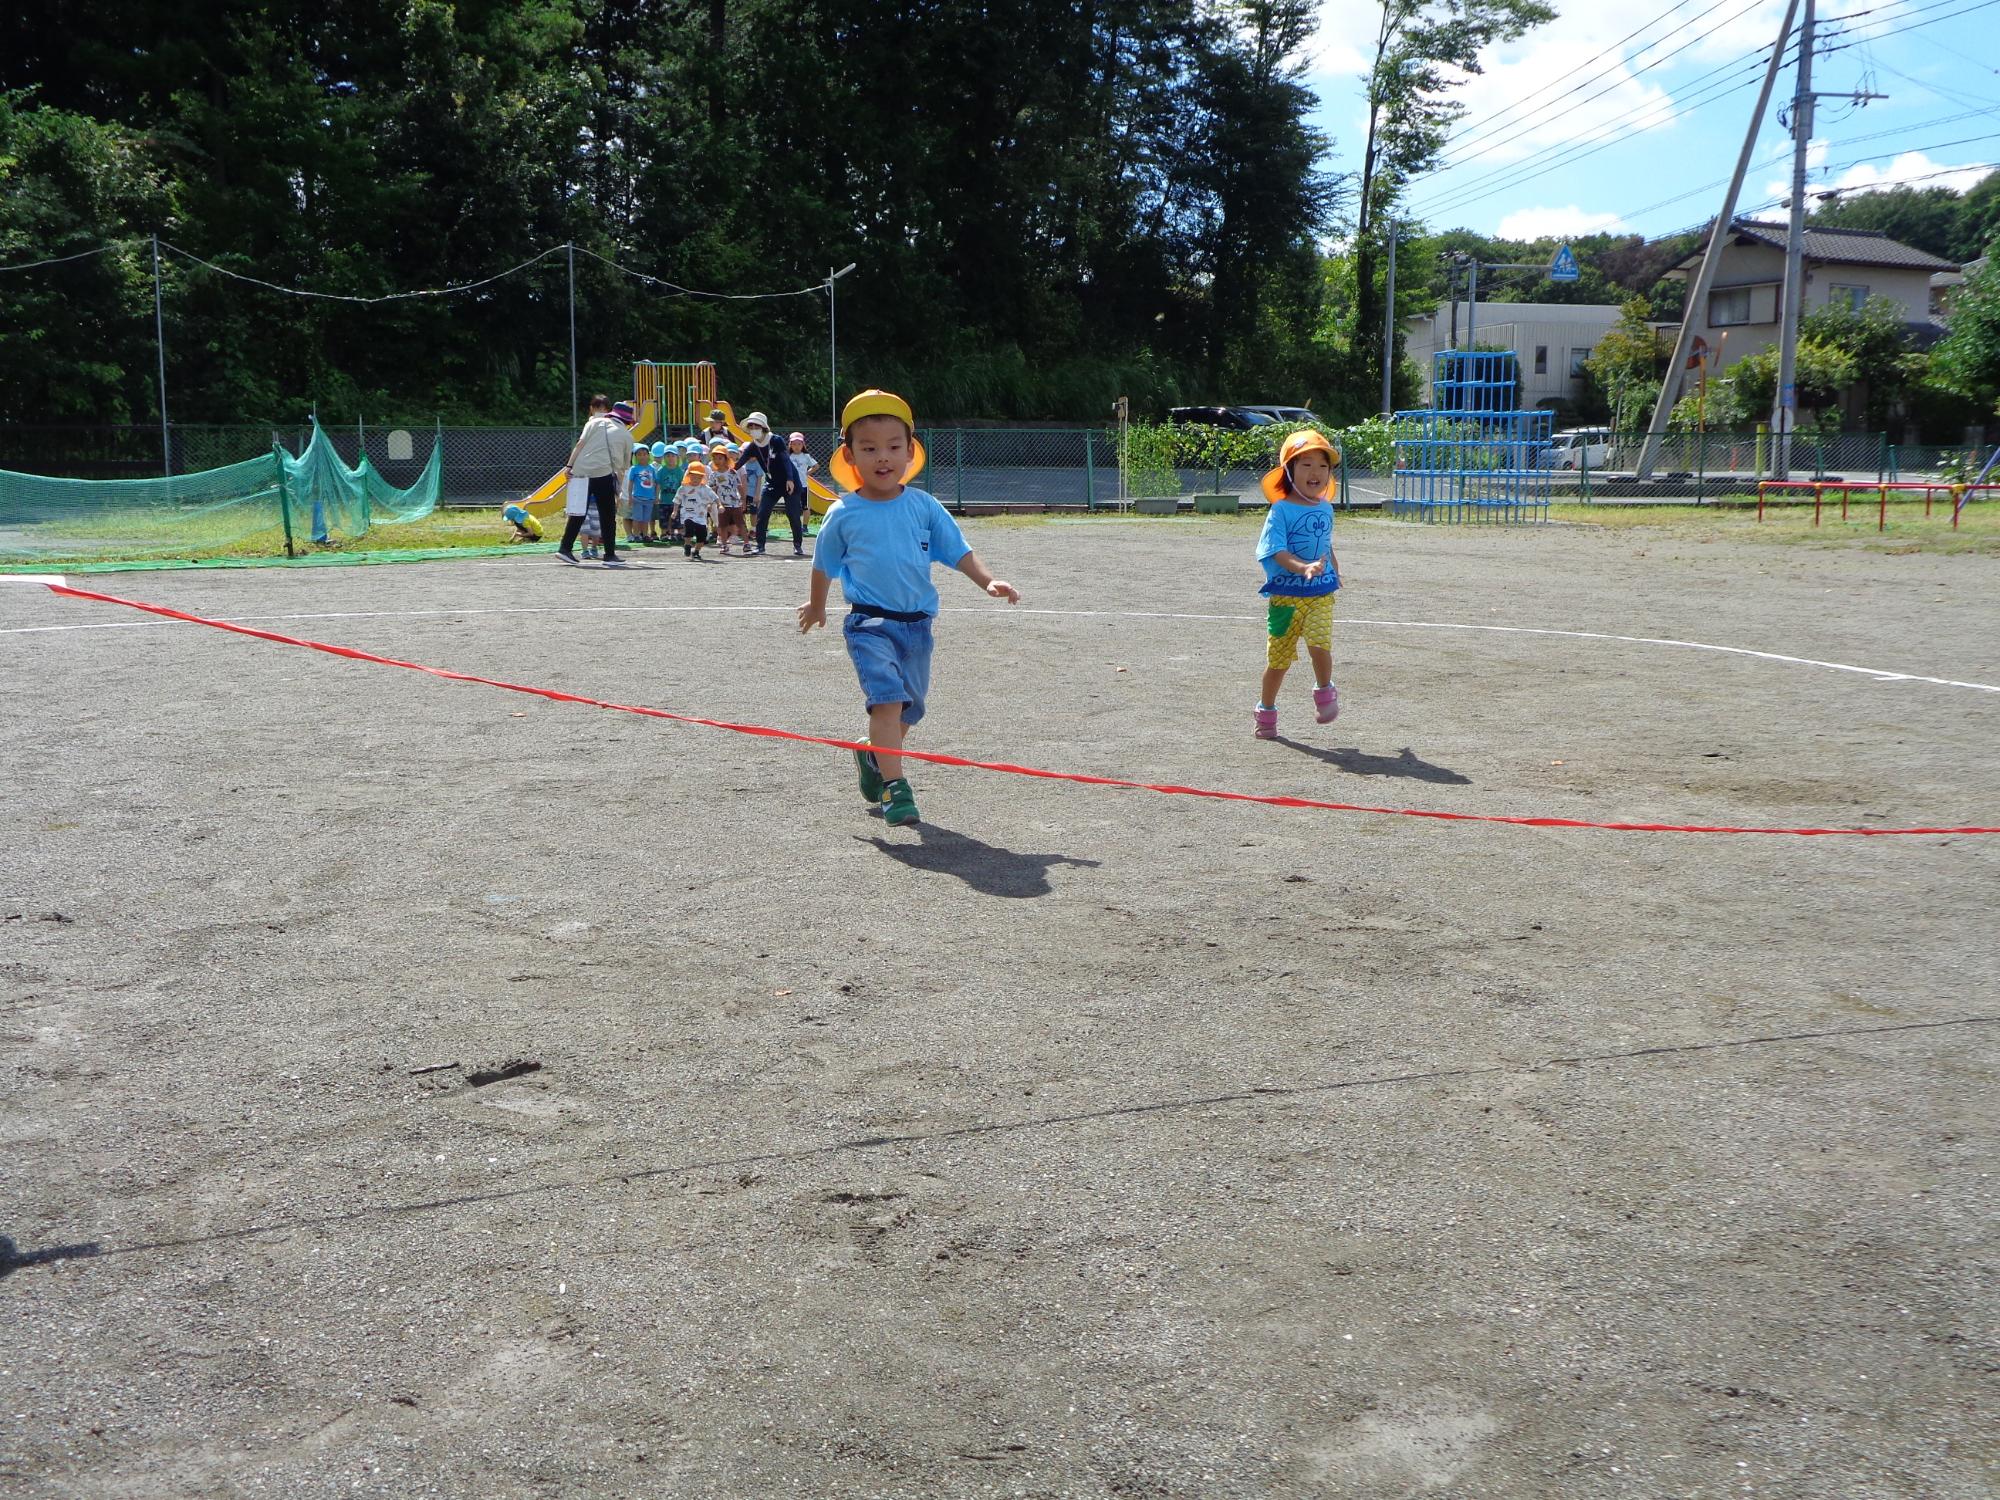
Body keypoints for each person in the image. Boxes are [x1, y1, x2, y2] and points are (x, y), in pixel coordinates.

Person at [797, 389, 1019, 827]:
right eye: (870, 448)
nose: (883, 457)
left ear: (910, 451)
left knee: (908, 711)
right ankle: (896, 790)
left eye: (894, 447)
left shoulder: (924, 506)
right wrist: (817, 605)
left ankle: (872, 755)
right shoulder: (843, 513)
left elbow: (959, 551)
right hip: (869, 624)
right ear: (850, 455)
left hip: (918, 627)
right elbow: (823, 565)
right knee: (888, 703)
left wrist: (988, 580)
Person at [1253, 429, 1342, 740]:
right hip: (1285, 598)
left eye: (1322, 465)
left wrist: (1335, 572)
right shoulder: (1280, 511)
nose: (1315, 472)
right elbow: (1275, 550)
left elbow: (1325, 545)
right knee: (1278, 662)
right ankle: (1266, 710)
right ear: (1289, 471)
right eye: (1305, 464)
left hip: (1320, 593)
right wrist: (1302, 567)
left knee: (1320, 644)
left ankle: (1325, 691)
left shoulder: (1326, 508)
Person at [558, 394, 630, 566]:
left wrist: (569, 467)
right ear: (628, 421)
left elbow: (579, 445)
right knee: (607, 515)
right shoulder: (627, 436)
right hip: (602, 473)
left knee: (578, 512)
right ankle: (610, 555)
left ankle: (565, 548)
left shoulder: (593, 422)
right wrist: (621, 492)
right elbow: (623, 468)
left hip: (580, 472)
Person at [742, 411, 803, 556]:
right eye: (751, 426)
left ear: (763, 427)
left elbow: (786, 460)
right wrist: (732, 470)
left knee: (793, 514)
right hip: (772, 484)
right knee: (762, 513)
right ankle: (760, 546)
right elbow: (741, 460)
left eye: (756, 426)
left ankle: (797, 545)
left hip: (790, 483)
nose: (753, 429)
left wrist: (790, 479)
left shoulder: (776, 440)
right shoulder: (753, 446)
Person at [710, 443, 750, 555]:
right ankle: (724, 544)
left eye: (720, 458)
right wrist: (712, 503)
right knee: (722, 526)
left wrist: (743, 499)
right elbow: (713, 490)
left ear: (726, 459)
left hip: (735, 503)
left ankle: (746, 543)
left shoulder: (732, 472)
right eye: (715, 458)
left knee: (740, 524)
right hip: (722, 505)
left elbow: (739, 486)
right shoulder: (714, 475)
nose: (717, 460)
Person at [676, 460, 716, 558]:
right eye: (693, 476)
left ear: (702, 477)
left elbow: (714, 497)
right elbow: (677, 499)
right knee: (689, 526)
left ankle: (696, 551)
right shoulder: (684, 488)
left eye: (698, 477)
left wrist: (718, 505)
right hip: (688, 513)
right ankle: (687, 544)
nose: (695, 479)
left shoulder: (705, 488)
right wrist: (674, 510)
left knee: (702, 536)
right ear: (688, 476)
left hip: (701, 516)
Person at [626, 441, 659, 546]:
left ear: (648, 455)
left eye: (644, 454)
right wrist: (630, 496)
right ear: (635, 457)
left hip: (649, 498)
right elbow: (630, 482)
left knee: (646, 518)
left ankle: (645, 534)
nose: (642, 457)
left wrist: (656, 495)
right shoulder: (634, 469)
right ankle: (636, 535)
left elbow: (656, 483)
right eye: (639, 454)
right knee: (637, 518)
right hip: (638, 497)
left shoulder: (652, 468)